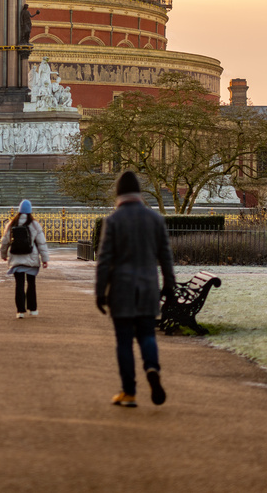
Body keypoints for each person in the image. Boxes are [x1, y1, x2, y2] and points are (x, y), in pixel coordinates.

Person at [95, 171, 175, 408]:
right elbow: (166, 257)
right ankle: (152, 368)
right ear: (139, 192)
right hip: (149, 288)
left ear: (119, 194)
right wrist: (169, 285)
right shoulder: (156, 219)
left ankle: (129, 392)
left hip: (121, 290)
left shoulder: (113, 221)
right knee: (148, 335)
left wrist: (100, 292)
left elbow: (104, 260)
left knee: (124, 342)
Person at [0, 199, 49, 317]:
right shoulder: (34, 224)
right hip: (31, 257)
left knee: (19, 284)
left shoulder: (12, 224)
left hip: (16, 258)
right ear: (30, 211)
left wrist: (3, 255)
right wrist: (45, 259)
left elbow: (4, 241)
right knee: (31, 284)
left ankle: (20, 311)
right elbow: (42, 243)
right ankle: (33, 309)